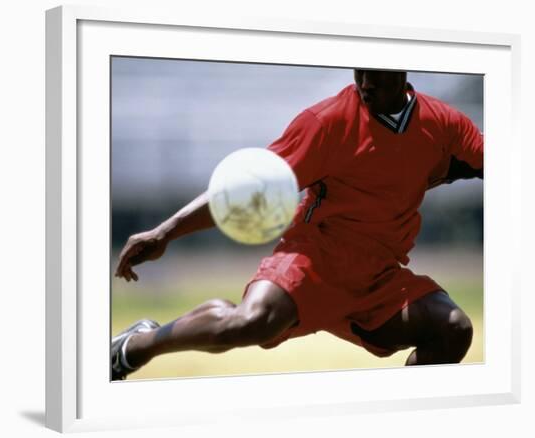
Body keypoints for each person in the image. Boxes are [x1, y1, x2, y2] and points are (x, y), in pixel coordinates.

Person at [111, 69, 483, 381]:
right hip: (314, 261)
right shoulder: (326, 122)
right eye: (359, 70)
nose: (365, 82)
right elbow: (243, 190)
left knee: (452, 329)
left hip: (379, 278)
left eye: (376, 71)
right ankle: (137, 345)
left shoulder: (443, 124)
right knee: (249, 322)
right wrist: (166, 231)